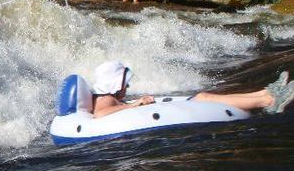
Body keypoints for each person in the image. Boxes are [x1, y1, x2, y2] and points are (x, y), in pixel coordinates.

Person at [91, 61, 294, 119]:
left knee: (203, 96)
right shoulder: (104, 99)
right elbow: (102, 113)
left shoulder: (107, 96)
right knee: (203, 97)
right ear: (115, 84)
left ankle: (264, 93)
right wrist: (135, 104)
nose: (127, 87)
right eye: (125, 83)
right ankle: (267, 100)